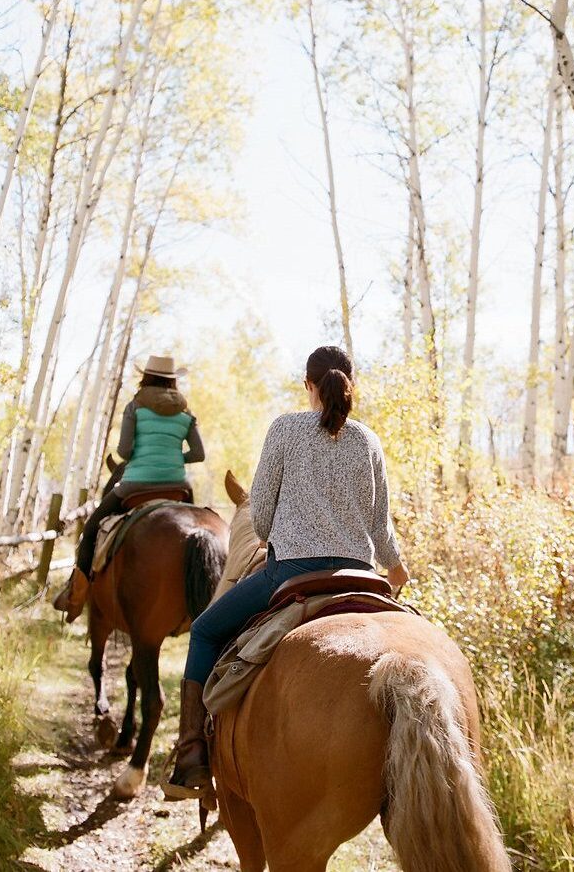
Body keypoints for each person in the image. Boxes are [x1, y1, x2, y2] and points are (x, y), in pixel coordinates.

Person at [162, 344, 409, 803]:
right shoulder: (368, 440)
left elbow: (262, 517)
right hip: (362, 573)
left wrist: (284, 530)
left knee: (205, 630)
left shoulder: (285, 429)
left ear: (309, 386)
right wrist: (396, 567)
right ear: (350, 384)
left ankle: (192, 754)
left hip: (291, 572)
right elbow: (380, 525)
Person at [53, 353, 205, 621]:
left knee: (90, 529)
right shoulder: (186, 414)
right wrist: (172, 457)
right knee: (200, 530)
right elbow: (198, 454)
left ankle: (75, 595)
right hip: (178, 486)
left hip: (136, 484)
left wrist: (146, 455)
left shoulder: (135, 407)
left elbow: (124, 451)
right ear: (172, 382)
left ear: (146, 377)